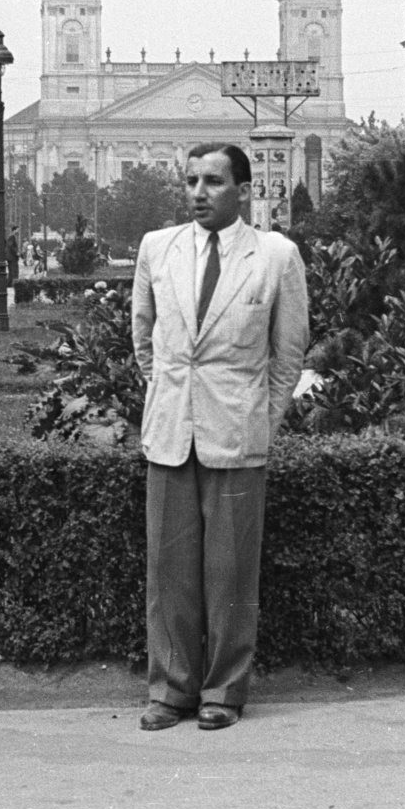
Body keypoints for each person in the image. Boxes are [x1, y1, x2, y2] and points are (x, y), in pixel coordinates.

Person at [131, 142, 309, 733]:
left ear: (243, 189)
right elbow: (144, 340)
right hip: (170, 433)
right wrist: (167, 397)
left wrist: (261, 416)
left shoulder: (276, 256)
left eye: (212, 181)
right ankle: (170, 690)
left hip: (237, 433)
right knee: (169, 571)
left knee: (232, 572)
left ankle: (224, 691)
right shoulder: (158, 248)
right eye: (190, 181)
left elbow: (288, 355)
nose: (198, 193)